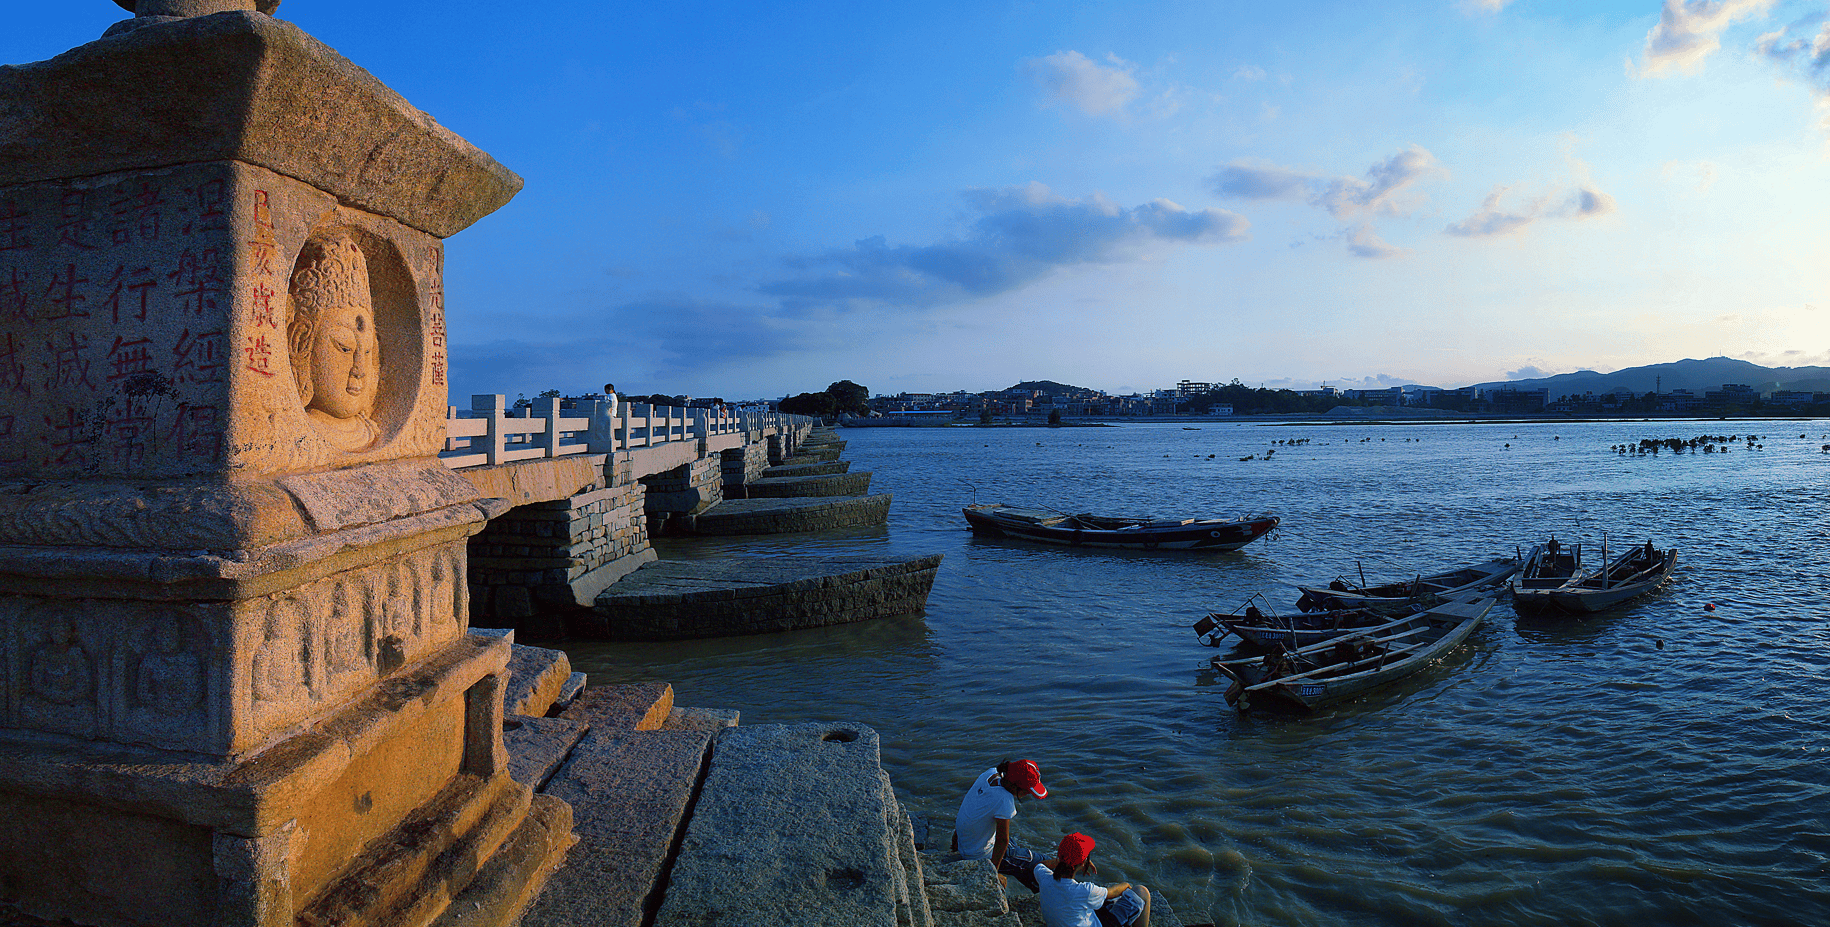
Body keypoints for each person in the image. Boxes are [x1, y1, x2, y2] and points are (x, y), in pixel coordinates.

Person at [953, 759, 1048, 891]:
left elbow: (970, 806)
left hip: (967, 843)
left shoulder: (990, 774)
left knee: (1019, 858)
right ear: (1014, 786)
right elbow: (1003, 840)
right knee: (1041, 860)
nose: (1028, 794)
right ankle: (1054, 892)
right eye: (1026, 791)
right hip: (980, 854)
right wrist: (993, 873)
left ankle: (1034, 886)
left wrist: (956, 839)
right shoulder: (1005, 799)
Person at [1033, 832, 1151, 927]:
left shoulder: (1044, 878)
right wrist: (1125, 885)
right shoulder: (1084, 890)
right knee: (1141, 892)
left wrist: (1063, 860)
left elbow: (1039, 865)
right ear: (1083, 862)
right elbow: (1113, 892)